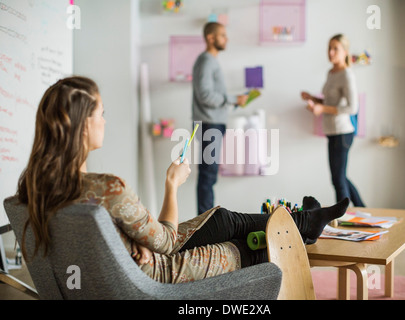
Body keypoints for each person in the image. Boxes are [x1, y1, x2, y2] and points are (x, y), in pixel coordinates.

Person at [17, 76, 349, 284]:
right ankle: (305, 226)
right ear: (82, 125)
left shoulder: (32, 189)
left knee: (223, 218)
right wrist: (172, 185)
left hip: (131, 266)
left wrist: (132, 245)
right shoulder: (107, 188)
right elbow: (164, 241)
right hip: (157, 271)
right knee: (252, 245)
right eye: (100, 113)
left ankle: (305, 222)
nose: (105, 119)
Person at [301, 34, 366, 207]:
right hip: (332, 132)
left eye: (335, 48)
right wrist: (314, 99)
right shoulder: (331, 73)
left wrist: (321, 109)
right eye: (329, 48)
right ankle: (363, 209)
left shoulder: (347, 75)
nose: (330, 52)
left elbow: (352, 108)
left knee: (338, 179)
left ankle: (341, 219)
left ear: (345, 52)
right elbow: (330, 102)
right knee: (340, 176)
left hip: (343, 132)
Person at [192, 22, 249, 215]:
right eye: (223, 35)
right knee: (208, 177)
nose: (227, 39)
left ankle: (206, 222)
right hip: (209, 124)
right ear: (211, 38)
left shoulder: (210, 61)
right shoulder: (207, 61)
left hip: (213, 123)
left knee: (209, 175)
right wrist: (232, 99)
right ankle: (205, 225)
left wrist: (234, 101)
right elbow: (205, 96)